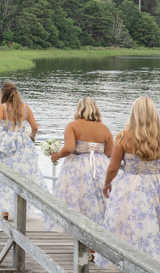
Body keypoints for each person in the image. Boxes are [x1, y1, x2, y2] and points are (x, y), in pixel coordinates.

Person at [100, 96, 160, 273]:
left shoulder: (124, 136)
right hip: (156, 189)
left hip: (130, 188)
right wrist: (155, 172)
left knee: (131, 232)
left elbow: (113, 167)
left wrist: (107, 183)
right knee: (149, 231)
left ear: (133, 113)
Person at [46, 98, 113, 231]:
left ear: (79, 109)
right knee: (101, 202)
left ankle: (81, 236)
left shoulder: (73, 126)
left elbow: (69, 149)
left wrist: (57, 155)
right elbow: (109, 152)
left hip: (78, 168)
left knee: (79, 201)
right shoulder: (105, 129)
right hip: (100, 168)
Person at [0, 81, 46, 218]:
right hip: (23, 143)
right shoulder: (25, 108)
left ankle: (5, 210)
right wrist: (32, 136)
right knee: (23, 175)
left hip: (6, 142)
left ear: (4, 93)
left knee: (3, 174)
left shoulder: (2, 107)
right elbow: (35, 127)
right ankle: (21, 209)